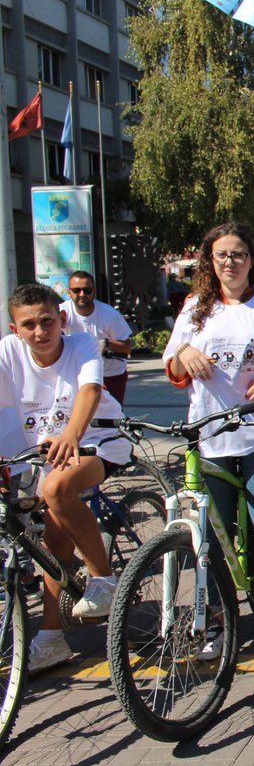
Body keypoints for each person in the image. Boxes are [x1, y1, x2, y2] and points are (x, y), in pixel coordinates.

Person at [164, 221, 254, 660]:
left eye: (239, 254)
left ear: (253, 260)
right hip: (211, 434)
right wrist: (183, 355)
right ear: (210, 259)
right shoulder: (193, 309)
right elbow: (173, 370)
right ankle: (218, 622)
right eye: (222, 254)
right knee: (211, 535)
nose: (230, 262)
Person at [0, 283, 133, 672]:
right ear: (15, 329)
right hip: (44, 452)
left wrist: (72, 435)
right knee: (51, 545)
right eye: (29, 325)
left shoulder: (81, 345)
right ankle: (51, 637)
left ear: (61, 319)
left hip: (96, 439)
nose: (40, 332)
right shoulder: (9, 353)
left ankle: (103, 580)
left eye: (47, 321)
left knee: (56, 487)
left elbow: (91, 390)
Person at [60, 271, 134, 404]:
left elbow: (127, 347)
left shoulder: (109, 314)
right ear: (69, 292)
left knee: (112, 417)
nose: (82, 294)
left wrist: (106, 344)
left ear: (94, 291)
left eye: (87, 290)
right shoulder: (61, 313)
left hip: (110, 373)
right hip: (77, 371)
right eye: (77, 290)